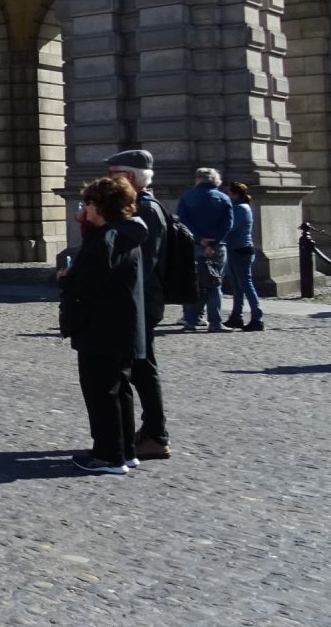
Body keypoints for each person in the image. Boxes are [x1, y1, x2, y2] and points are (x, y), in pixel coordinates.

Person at [58, 176, 147, 475]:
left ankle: (108, 455)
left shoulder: (107, 238)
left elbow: (88, 282)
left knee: (101, 392)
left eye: (88, 203)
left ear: (100, 205)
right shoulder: (126, 233)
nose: (85, 208)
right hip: (122, 324)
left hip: (101, 325)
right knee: (119, 388)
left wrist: (66, 277)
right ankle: (125, 450)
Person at [105, 149, 171, 462]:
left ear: (129, 177)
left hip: (141, 299)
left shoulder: (145, 209)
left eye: (114, 174)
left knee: (144, 369)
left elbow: (139, 263)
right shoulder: (140, 207)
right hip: (139, 298)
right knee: (141, 367)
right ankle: (150, 432)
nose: (109, 180)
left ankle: (156, 435)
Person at [176, 167, 234, 333]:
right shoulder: (223, 198)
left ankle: (191, 320)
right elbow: (228, 224)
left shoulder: (187, 197)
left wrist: (199, 239)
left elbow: (182, 222)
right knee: (215, 284)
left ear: (197, 179)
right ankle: (215, 322)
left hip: (194, 246)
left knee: (194, 284)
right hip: (217, 247)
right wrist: (213, 242)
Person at [224, 181, 264, 332]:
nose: (228, 195)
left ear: (235, 194)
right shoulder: (239, 207)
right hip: (235, 249)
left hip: (242, 250)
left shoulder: (241, 208)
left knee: (246, 285)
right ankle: (236, 316)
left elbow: (230, 226)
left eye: (230, 193)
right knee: (237, 286)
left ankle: (257, 317)